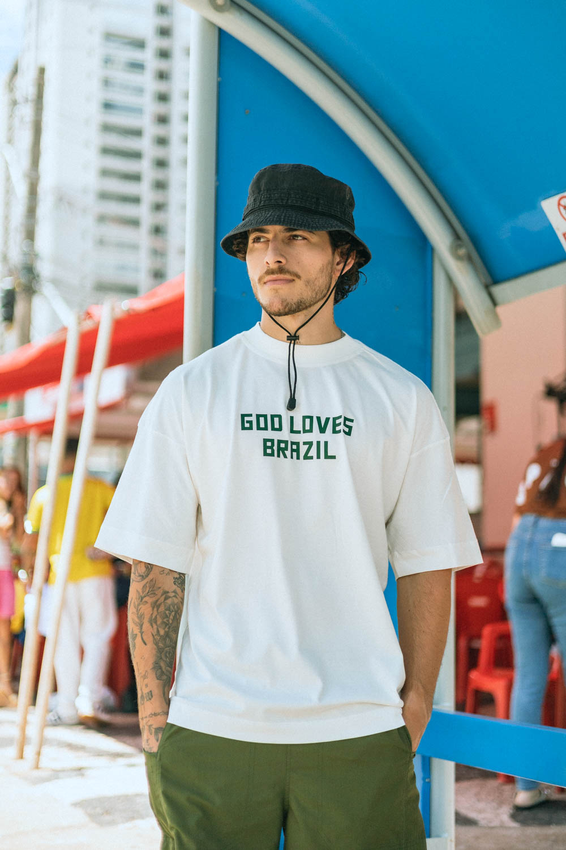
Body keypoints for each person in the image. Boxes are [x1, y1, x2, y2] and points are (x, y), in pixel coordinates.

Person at [96, 164, 481, 849]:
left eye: (297, 236)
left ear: (344, 258)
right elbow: (155, 562)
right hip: (213, 728)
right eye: (258, 239)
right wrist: (155, 722)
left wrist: (416, 703)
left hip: (358, 728)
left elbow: (429, 561)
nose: (272, 253)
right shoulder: (192, 391)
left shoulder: (401, 399)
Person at [22, 438, 117, 726]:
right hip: (95, 572)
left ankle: (67, 706)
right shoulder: (100, 488)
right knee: (97, 638)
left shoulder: (44, 494)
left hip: (58, 575)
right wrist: (106, 550)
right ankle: (89, 700)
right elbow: (125, 520)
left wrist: (30, 574)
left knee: (63, 642)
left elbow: (30, 542)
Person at [505, 430, 566, 809]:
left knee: (528, 677)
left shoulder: (545, 451)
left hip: (518, 551)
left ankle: (526, 787)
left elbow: (517, 516)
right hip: (559, 548)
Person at [0, 466, 25, 707]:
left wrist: (17, 510)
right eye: (6, 478)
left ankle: (4, 684)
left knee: (5, 630)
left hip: (5, 570)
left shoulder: (12, 509)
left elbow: (18, 540)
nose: (10, 484)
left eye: (15, 481)